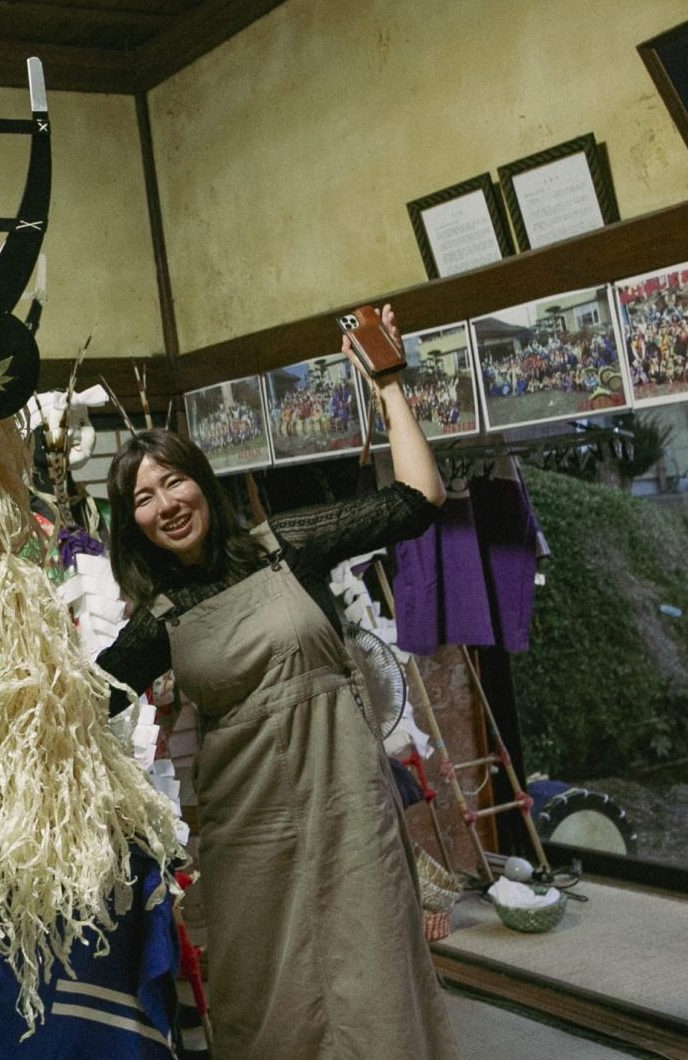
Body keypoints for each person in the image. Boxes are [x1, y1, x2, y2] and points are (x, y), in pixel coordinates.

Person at [96, 306, 458, 1059]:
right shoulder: (155, 622)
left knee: (373, 974)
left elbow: (416, 502)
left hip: (345, 801)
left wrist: (387, 384)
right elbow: (82, 704)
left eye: (173, 483)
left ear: (200, 483)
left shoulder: (283, 548)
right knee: (267, 992)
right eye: (142, 498)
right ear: (130, 523)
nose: (165, 505)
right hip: (246, 824)